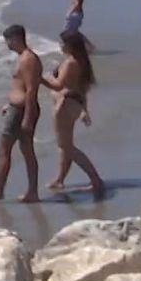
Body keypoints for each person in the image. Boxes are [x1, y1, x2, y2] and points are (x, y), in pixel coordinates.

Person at [0, 24, 42, 203]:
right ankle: (32, 192)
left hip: (21, 111)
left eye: (8, 40)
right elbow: (21, 86)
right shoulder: (24, 57)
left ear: (16, 38)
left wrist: (28, 117)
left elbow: (31, 90)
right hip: (19, 108)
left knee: (4, 149)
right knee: (27, 150)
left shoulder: (28, 59)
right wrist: (10, 103)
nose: (7, 44)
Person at [42, 30, 105, 197]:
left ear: (70, 45)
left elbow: (58, 85)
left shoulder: (71, 63)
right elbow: (82, 89)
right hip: (74, 103)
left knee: (66, 146)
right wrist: (84, 110)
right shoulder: (82, 61)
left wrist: (41, 78)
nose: (60, 45)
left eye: (63, 43)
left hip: (65, 104)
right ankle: (60, 179)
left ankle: (96, 179)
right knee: (66, 145)